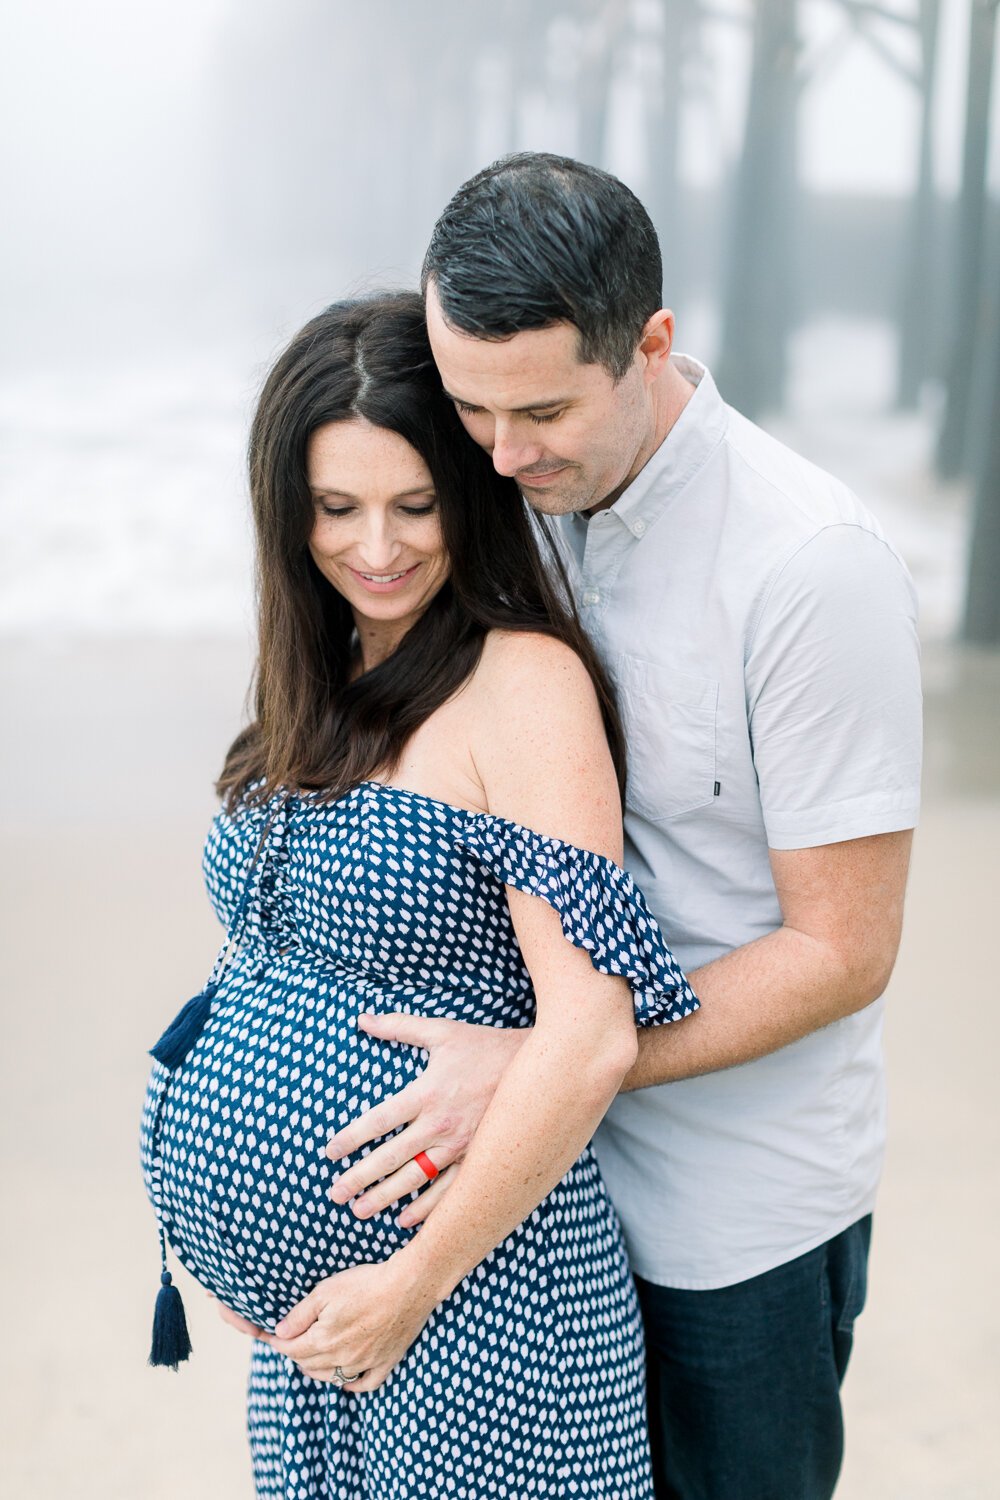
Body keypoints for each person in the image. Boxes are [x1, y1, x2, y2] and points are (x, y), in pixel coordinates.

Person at [321, 155, 923, 1500]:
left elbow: (842, 951)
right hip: (534, 1205)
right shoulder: (509, 501)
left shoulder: (810, 568)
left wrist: (546, 1065)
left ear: (652, 343)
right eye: (471, 408)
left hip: (734, 1221)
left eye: (541, 410)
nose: (501, 452)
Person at [140, 291, 700, 1499]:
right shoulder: (329, 670)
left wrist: (408, 1285)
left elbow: (591, 1030)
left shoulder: (523, 684)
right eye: (336, 509)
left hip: (479, 1301)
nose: (376, 548)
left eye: (416, 505)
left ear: (471, 495)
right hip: (328, 1335)